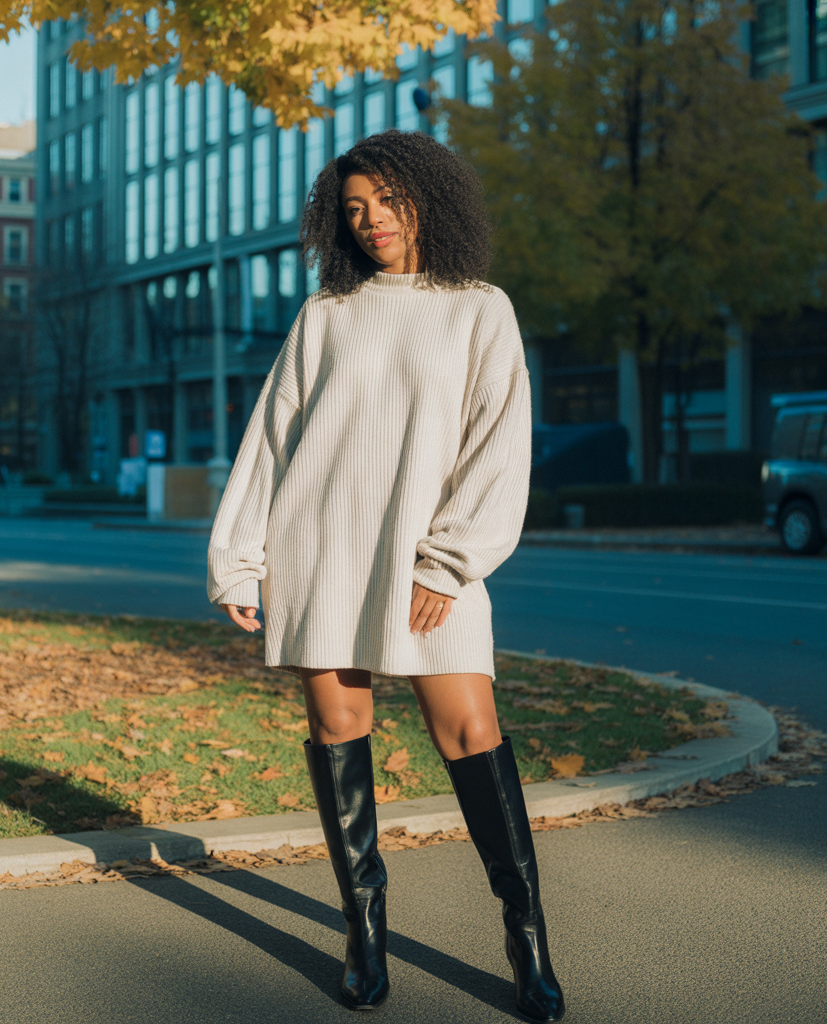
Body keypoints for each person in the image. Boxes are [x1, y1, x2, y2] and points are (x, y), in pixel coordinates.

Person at [206, 129, 564, 1022]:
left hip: (428, 556)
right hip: (321, 547)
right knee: (338, 726)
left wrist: (450, 559)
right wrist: (241, 560)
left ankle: (527, 943)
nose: (372, 222)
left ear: (427, 200)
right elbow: (273, 442)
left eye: (387, 203)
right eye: (354, 210)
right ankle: (365, 937)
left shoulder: (481, 308)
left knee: (470, 732)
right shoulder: (325, 316)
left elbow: (499, 444)